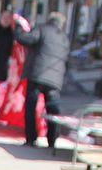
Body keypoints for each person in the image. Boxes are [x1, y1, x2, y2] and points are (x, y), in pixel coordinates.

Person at [14, 10, 68, 148]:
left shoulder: (42, 29)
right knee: (53, 109)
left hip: (37, 74)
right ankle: (52, 140)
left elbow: (26, 39)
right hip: (55, 79)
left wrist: (19, 28)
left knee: (31, 107)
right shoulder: (64, 37)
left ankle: (31, 139)